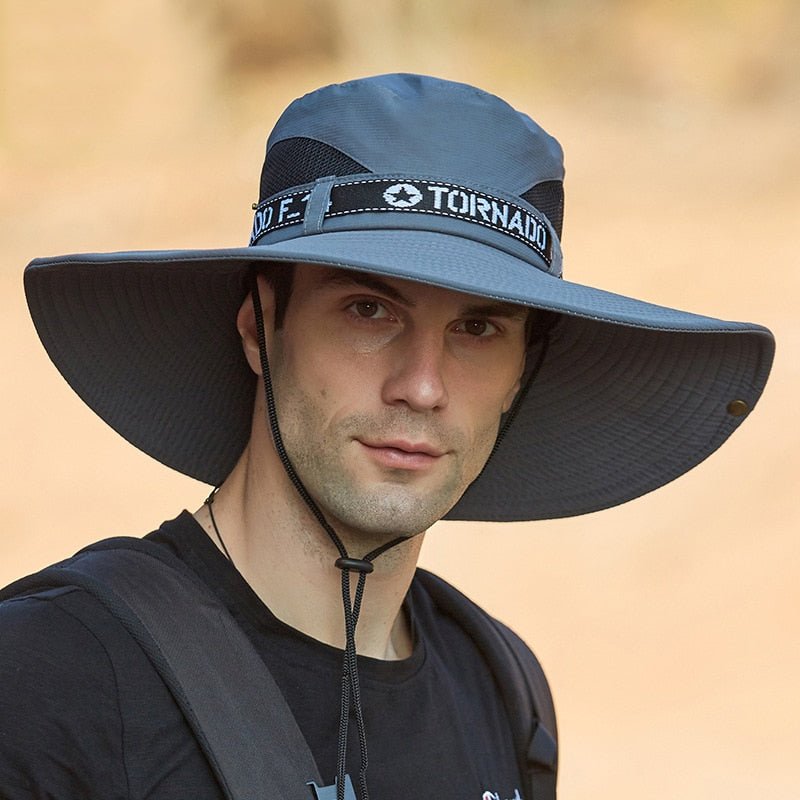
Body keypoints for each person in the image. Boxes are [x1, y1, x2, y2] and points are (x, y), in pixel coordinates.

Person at [0, 73, 774, 800]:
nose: (424, 385)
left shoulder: (503, 688)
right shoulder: (47, 678)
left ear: (520, 377)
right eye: (369, 310)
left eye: (477, 327)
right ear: (260, 326)